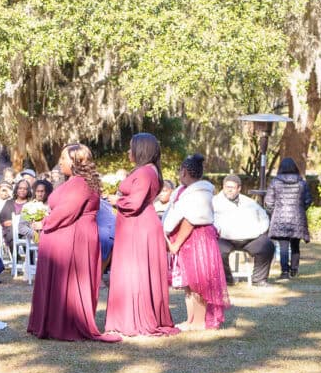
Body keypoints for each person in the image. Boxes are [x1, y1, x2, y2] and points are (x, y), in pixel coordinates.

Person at [27, 143, 121, 342]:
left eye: (64, 158)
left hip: (74, 238)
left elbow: (66, 211)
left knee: (70, 282)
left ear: (76, 161)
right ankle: (53, 322)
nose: (60, 162)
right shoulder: (74, 181)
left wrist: (43, 223)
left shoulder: (81, 183)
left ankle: (67, 324)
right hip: (65, 236)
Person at [103, 133, 178, 337]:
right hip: (135, 224)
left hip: (139, 225)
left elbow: (135, 203)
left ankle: (137, 317)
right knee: (132, 270)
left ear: (141, 149)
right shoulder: (146, 170)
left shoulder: (145, 172)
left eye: (131, 147)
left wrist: (115, 201)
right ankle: (128, 315)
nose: (128, 152)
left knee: (135, 271)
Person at [164, 154, 229, 330]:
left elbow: (191, 219)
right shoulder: (184, 191)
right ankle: (191, 319)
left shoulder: (198, 193)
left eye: (180, 171)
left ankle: (199, 321)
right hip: (188, 240)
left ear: (184, 172)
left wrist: (176, 244)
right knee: (189, 282)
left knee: (198, 280)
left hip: (197, 239)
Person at [213, 174, 274, 284]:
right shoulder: (214, 202)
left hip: (250, 238)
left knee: (267, 245)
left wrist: (260, 231)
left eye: (232, 187)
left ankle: (259, 280)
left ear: (239, 188)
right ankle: (226, 280)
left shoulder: (249, 202)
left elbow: (264, 217)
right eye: (227, 187)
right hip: (224, 239)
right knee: (216, 249)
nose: (229, 190)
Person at [263, 157, 312, 279]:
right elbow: (308, 200)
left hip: (280, 219)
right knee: (295, 245)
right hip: (297, 218)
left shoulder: (275, 182)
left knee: (283, 246)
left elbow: (268, 202)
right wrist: (300, 209)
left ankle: (284, 272)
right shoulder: (302, 182)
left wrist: (274, 212)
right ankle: (294, 270)